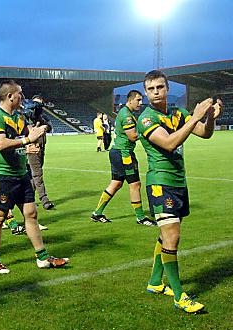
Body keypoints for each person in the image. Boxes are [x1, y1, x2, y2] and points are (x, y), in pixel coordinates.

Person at [137, 70, 222, 313]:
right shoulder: (146, 119)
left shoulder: (177, 113)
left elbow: (204, 134)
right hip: (160, 183)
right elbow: (170, 143)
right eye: (151, 88)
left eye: (160, 87)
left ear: (167, 88)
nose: (156, 92)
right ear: (146, 92)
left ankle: (155, 282)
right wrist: (195, 116)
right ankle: (179, 296)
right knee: (172, 236)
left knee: (167, 235)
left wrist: (210, 118)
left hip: (178, 182)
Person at [0, 80, 69, 274]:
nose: (22, 97)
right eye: (20, 94)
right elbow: (0, 143)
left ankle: (42, 257)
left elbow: (25, 136)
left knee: (31, 213)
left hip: (21, 174)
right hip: (2, 176)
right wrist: (27, 140)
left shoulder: (19, 117)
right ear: (10, 96)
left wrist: (32, 140)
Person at [91, 90, 156, 226]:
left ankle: (97, 213)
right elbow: (132, 136)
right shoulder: (127, 115)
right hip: (124, 154)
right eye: (138, 100)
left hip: (117, 152)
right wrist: (148, 131)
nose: (140, 102)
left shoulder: (126, 113)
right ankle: (140, 217)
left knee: (116, 183)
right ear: (130, 100)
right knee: (135, 184)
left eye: (141, 100)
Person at [24, 95, 55, 210]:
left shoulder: (41, 117)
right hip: (32, 148)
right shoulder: (27, 116)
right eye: (36, 104)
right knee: (37, 174)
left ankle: (29, 198)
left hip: (41, 147)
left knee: (33, 175)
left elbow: (49, 125)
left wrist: (45, 127)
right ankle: (44, 199)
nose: (37, 107)